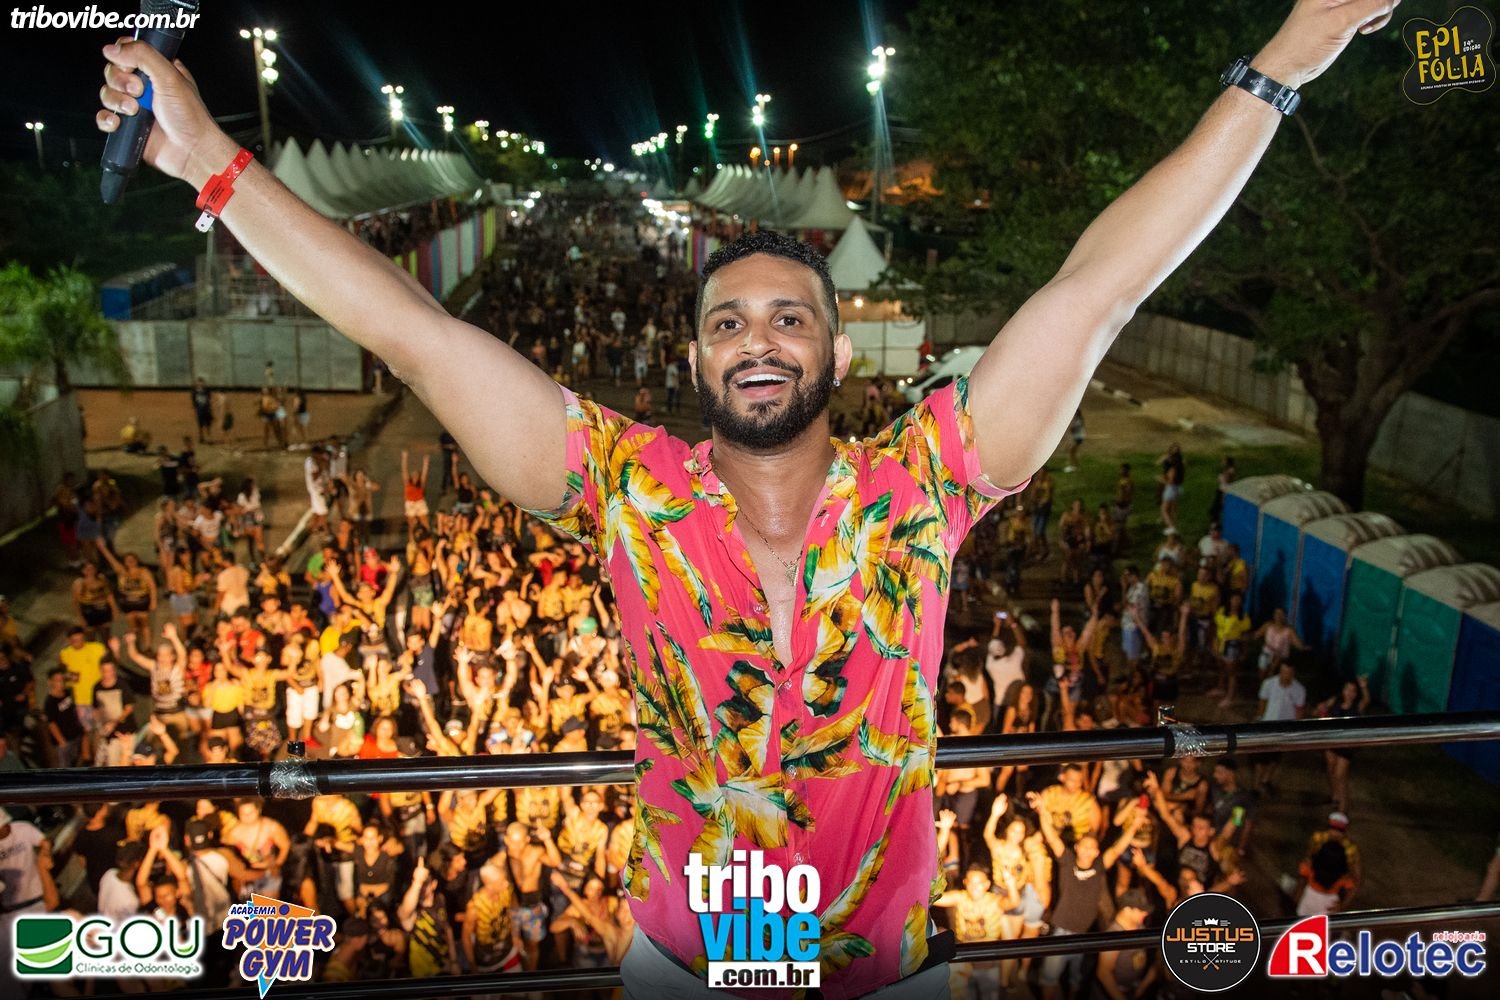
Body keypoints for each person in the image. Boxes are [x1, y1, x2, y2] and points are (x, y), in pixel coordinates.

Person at [95, 9, 1396, 989]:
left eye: (790, 316)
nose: (758, 336)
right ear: (697, 360)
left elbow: (1099, 286)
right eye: (727, 320)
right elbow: (412, 332)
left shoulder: (925, 481)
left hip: (889, 973)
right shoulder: (625, 487)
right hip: (681, 967)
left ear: (836, 358)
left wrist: (1294, 50)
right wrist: (210, 159)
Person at [1318, 676, 1371, 812]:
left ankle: (1342, 809)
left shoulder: (1357, 706)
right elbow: (1322, 707)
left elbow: (1367, 700)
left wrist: (1364, 687)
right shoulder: (1335, 700)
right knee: (1331, 769)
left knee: (1340, 775)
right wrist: (1321, 709)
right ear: (1343, 689)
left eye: (1353, 691)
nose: (1349, 693)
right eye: (1347, 689)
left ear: (1356, 693)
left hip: (1347, 745)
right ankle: (1335, 796)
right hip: (1331, 740)